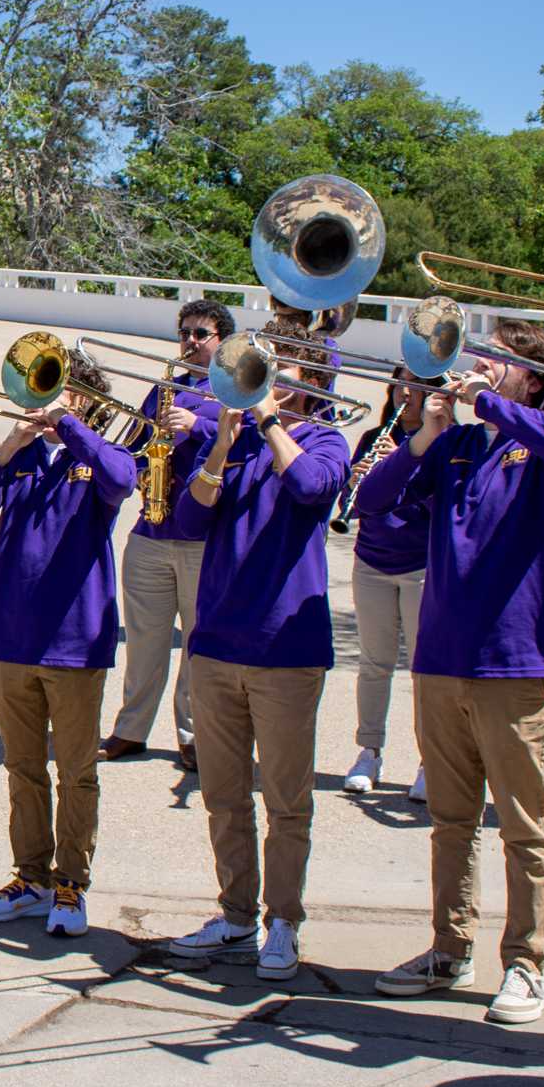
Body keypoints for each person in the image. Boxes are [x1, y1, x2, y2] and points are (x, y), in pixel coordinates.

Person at [356, 322, 544, 1024]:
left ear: (532, 380)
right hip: (443, 657)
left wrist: (497, 407)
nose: (479, 365)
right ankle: (449, 948)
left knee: (523, 824)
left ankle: (526, 962)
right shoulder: (455, 444)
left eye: (500, 362)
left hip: (517, 659)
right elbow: (372, 501)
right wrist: (426, 430)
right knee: (451, 819)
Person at [165, 324, 349, 979]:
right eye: (266, 368)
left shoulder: (326, 440)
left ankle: (285, 921)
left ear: (314, 381)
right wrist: (218, 443)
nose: (269, 379)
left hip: (286, 649)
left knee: (287, 801)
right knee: (223, 794)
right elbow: (188, 521)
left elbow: (310, 491)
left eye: (286, 369)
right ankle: (237, 916)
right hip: (216, 642)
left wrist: (272, 425)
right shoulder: (235, 443)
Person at [0, 352, 135, 938]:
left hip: (75, 638)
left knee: (76, 773)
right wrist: (8, 445)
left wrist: (71, 428)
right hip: (11, 633)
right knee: (22, 767)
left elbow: (122, 480)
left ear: (82, 399)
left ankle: (71, 884)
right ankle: (29, 877)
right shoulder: (23, 456)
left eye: (58, 390)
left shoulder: (99, 455)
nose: (43, 399)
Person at [101, 299, 231, 771]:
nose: (191, 342)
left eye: (202, 334)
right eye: (186, 334)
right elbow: (134, 444)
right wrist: (136, 470)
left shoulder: (233, 390)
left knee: (198, 645)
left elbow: (250, 434)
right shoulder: (165, 389)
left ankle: (193, 735)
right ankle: (131, 729)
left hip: (204, 539)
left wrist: (200, 425)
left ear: (222, 343)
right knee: (144, 640)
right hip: (152, 528)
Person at [336, 367, 434, 800]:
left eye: (416, 385)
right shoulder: (375, 436)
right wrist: (360, 479)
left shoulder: (447, 443)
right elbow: (350, 506)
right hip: (372, 560)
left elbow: (440, 505)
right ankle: (368, 751)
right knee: (374, 664)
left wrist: (401, 465)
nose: (406, 393)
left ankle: (430, 759)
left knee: (424, 672)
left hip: (421, 565)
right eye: (400, 383)